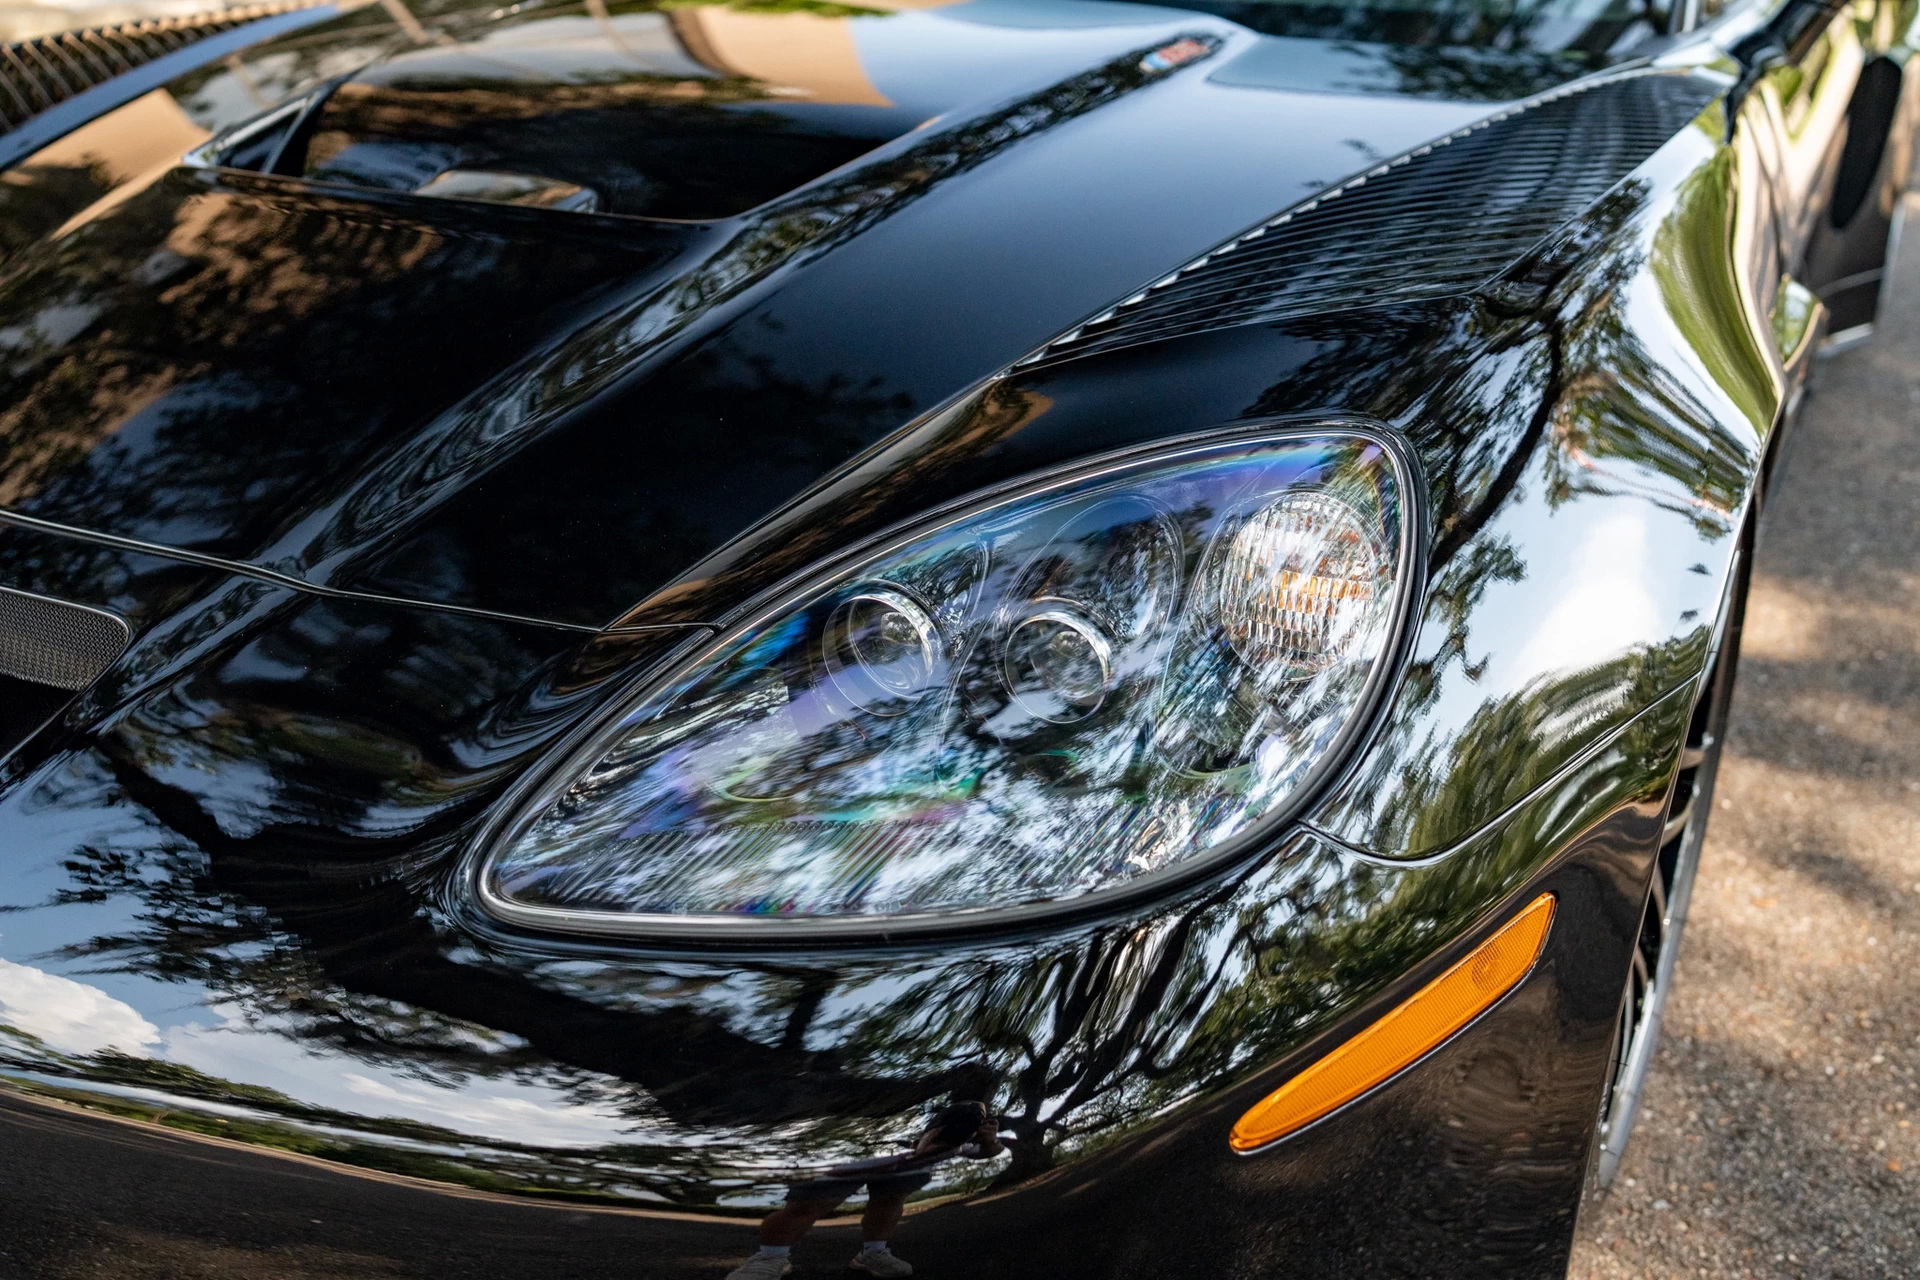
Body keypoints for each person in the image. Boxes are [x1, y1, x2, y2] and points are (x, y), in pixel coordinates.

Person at [725, 1101, 1005, 1278]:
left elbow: (990, 1152)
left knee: (890, 1200)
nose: (941, 1147)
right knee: (809, 1205)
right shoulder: (888, 1141)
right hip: (854, 1163)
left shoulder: (957, 1144)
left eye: (954, 1140)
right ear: (929, 1129)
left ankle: (872, 1254)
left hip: (903, 1172)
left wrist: (989, 1140)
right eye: (939, 1137)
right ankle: (770, 1258)